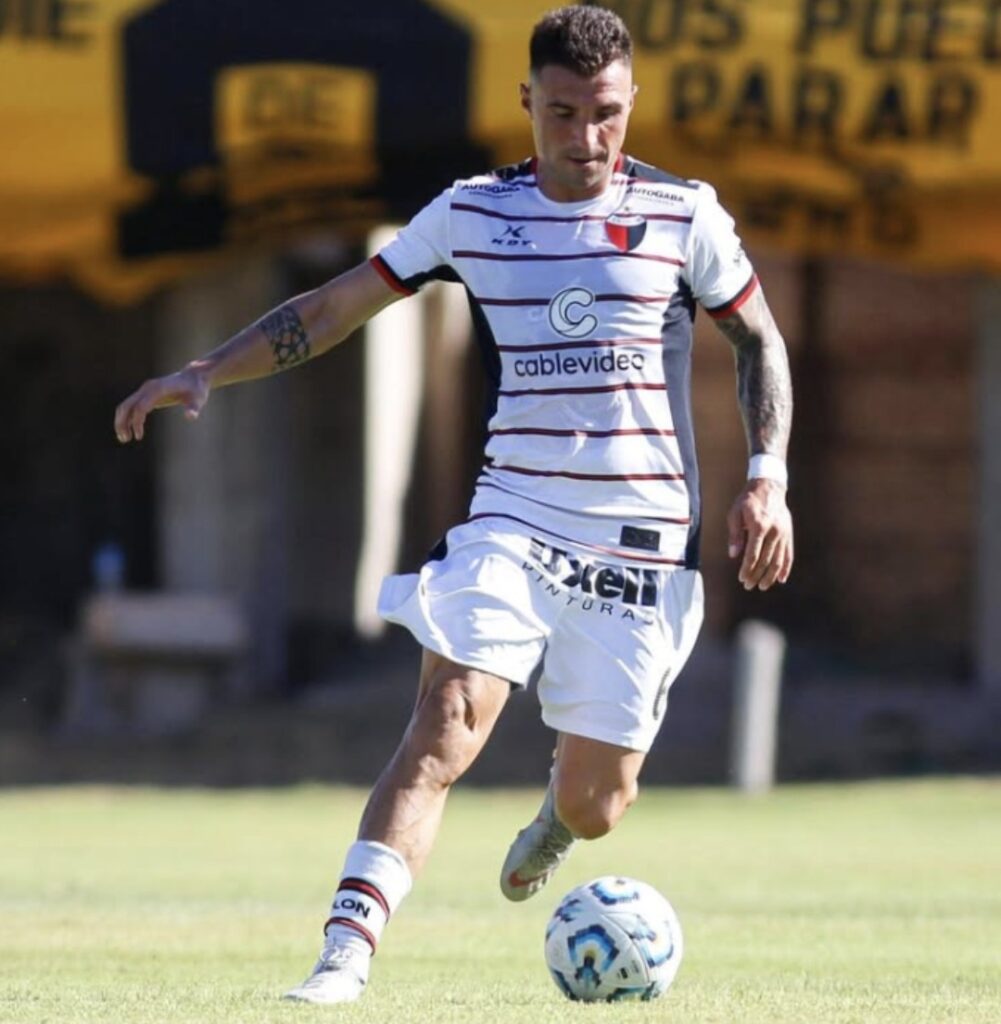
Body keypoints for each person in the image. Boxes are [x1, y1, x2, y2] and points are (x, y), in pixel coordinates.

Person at [114, 5, 793, 1005]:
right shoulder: (473, 213)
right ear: (526, 102)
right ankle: (344, 954)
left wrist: (767, 474)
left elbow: (758, 340)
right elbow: (336, 305)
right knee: (445, 722)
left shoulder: (682, 214)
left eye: (605, 113)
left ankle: (556, 821)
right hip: (512, 518)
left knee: (598, 805)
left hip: (641, 545)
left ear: (631, 102)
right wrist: (211, 367)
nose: (586, 137)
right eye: (561, 113)